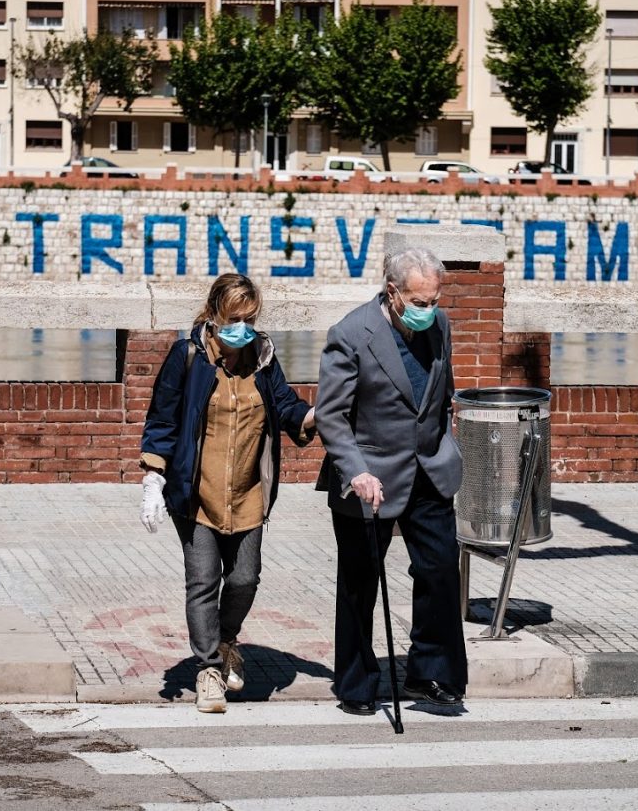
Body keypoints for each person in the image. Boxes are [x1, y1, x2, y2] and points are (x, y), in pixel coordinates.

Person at [139, 273, 315, 713]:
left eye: (251, 318)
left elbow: (287, 407)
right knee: (202, 582)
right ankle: (208, 672)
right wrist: (153, 480)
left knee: (244, 578)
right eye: (235, 318)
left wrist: (316, 415)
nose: (244, 327)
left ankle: (226, 640)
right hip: (197, 495)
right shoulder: (188, 357)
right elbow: (162, 421)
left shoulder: (263, 359)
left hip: (249, 495)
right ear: (215, 314)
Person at [315, 247, 467, 716]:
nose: (428, 310)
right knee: (361, 583)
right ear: (392, 291)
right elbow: (331, 415)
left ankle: (431, 673)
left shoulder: (439, 326)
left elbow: (442, 391)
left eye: (434, 300)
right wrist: (355, 469)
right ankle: (357, 684)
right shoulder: (351, 333)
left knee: (440, 572)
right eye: (419, 301)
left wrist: (447, 442)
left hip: (429, 470)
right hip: (370, 476)